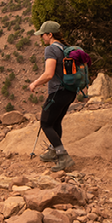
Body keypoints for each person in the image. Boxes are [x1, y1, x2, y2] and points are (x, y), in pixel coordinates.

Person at [28, 20, 76, 172]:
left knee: (45, 123)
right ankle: (53, 150)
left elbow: (49, 74)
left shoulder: (51, 49)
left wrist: (35, 83)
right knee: (56, 122)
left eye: (43, 35)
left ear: (50, 34)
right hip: (70, 91)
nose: (42, 37)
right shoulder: (66, 48)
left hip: (57, 92)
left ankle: (63, 157)